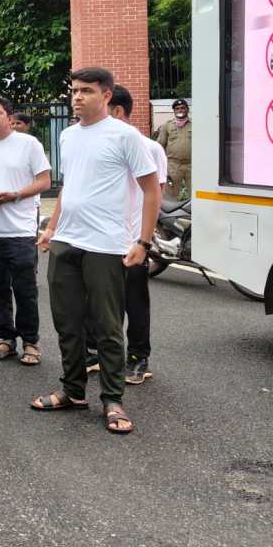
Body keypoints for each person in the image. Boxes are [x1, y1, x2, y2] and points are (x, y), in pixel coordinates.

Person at [34, 68, 160, 436]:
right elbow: (69, 186)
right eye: (74, 90)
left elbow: (151, 190)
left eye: (86, 91)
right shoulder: (69, 135)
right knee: (67, 322)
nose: (77, 97)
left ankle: (113, 399)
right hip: (66, 241)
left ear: (106, 95)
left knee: (107, 327)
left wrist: (143, 242)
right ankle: (73, 391)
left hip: (106, 244)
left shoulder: (125, 136)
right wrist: (52, 227)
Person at [86, 84, 167, 386]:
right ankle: (97, 353)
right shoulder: (95, 142)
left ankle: (138, 357)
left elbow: (156, 193)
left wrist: (143, 239)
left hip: (131, 238)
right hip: (99, 238)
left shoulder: (149, 147)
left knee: (134, 300)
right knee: (98, 300)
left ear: (117, 110)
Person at [0, 97, 51, 366]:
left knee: (25, 290)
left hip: (20, 231)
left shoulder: (28, 144)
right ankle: (6, 339)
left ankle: (31, 342)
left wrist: (16, 195)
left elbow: (44, 181)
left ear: (9, 118)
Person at [157, 98, 190, 198]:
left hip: (192, 165)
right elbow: (159, 146)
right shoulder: (167, 126)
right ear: (174, 111)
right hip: (173, 165)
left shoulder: (195, 124)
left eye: (182, 108)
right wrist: (161, 164)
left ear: (187, 109)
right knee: (170, 195)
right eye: (177, 108)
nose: (180, 110)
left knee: (195, 193)